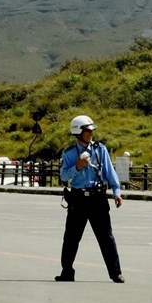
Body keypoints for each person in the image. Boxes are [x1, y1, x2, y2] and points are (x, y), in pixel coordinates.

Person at [55, 114, 124, 283]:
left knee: (106, 237)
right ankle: (67, 272)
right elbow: (63, 177)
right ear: (79, 133)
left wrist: (116, 191)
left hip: (98, 198)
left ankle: (116, 273)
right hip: (78, 198)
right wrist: (76, 167)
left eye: (92, 130)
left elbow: (109, 171)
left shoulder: (100, 149)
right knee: (71, 237)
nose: (91, 133)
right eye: (88, 130)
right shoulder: (70, 154)